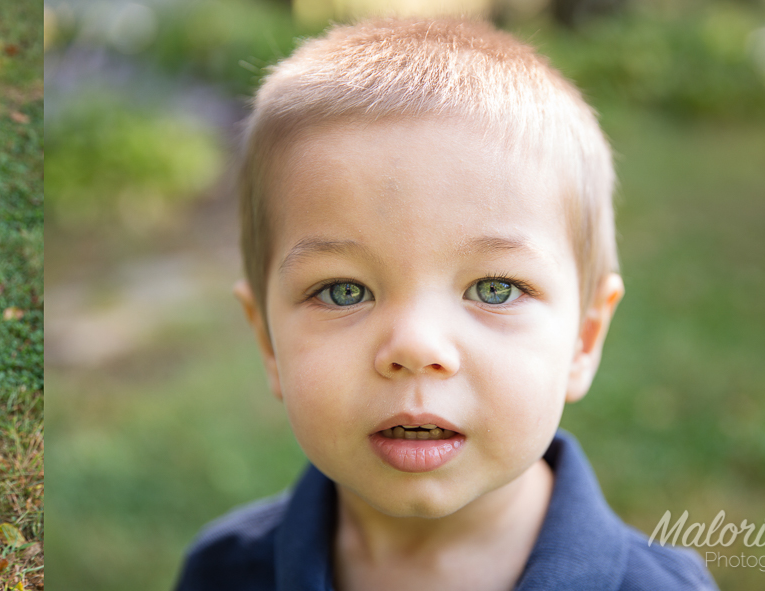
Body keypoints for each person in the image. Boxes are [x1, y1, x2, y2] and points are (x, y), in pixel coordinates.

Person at [176, 18, 717, 590]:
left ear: (584, 339)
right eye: (343, 291)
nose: (415, 346)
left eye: (495, 289)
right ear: (267, 341)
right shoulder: (223, 572)